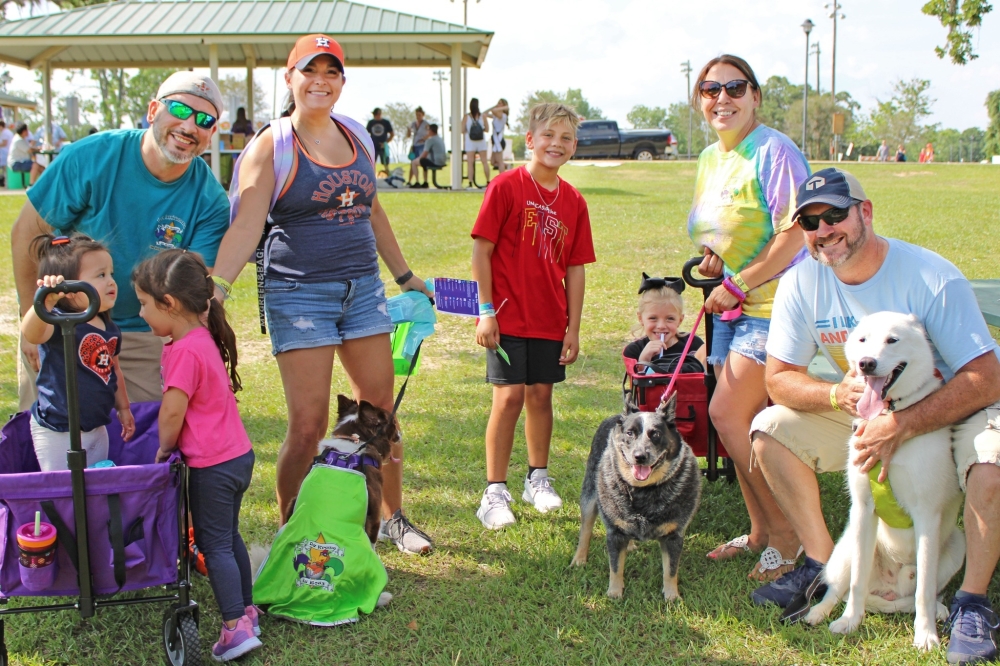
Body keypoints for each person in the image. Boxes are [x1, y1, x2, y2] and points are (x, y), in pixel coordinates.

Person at [747, 168, 1000, 665]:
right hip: (866, 407)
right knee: (770, 430)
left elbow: (987, 377)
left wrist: (902, 424)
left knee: (990, 466)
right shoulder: (801, 281)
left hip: (951, 406)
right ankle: (824, 566)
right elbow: (778, 380)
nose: (823, 231)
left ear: (865, 212)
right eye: (810, 222)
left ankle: (972, 602)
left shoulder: (931, 276)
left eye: (834, 215)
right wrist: (834, 394)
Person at [210, 34, 435, 555]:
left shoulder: (357, 135)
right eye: (310, 71)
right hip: (299, 295)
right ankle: (291, 532)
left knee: (381, 414)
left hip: (363, 291)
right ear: (290, 78)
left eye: (331, 72)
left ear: (342, 82)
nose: (320, 81)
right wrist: (217, 290)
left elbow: (372, 210)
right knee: (308, 426)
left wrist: (404, 276)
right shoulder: (272, 146)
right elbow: (246, 225)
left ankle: (393, 518)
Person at [10, 71, 230, 410]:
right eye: (180, 110)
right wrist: (34, 317)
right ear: (153, 110)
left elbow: (193, 291)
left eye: (204, 120)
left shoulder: (211, 201)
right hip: (67, 322)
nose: (189, 126)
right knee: (49, 431)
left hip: (147, 332)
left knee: (153, 435)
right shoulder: (90, 157)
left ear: (211, 133)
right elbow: (27, 233)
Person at [686, 54, 811, 582]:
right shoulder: (710, 159)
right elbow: (731, 228)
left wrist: (740, 282)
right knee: (744, 423)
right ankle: (760, 530)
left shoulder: (774, 151)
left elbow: (797, 232)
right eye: (710, 89)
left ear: (755, 97)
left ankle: (789, 534)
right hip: (731, 308)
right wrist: (718, 261)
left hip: (777, 306)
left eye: (735, 88)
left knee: (726, 415)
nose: (723, 98)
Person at [471, 102, 596, 529]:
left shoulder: (574, 201)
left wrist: (573, 327)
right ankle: (494, 492)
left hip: (549, 318)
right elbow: (481, 251)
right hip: (505, 317)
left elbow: (575, 267)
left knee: (541, 396)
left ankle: (537, 479)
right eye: (548, 136)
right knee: (508, 398)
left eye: (566, 138)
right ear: (530, 140)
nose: (556, 144)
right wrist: (485, 311)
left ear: (574, 146)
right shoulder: (505, 186)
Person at [133, 249, 261, 662]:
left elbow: (173, 411)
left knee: (213, 543)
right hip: (237, 456)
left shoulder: (186, 351)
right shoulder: (200, 336)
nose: (140, 312)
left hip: (213, 465)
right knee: (229, 537)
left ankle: (234, 629)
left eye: (144, 303)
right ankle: (247, 612)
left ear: (169, 303)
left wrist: (164, 446)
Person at [20, 234, 134, 471]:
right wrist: (45, 303)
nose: (111, 282)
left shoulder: (109, 328)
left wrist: (123, 408)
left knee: (94, 485)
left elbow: (114, 370)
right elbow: (32, 334)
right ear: (70, 289)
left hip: (96, 426)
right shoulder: (57, 321)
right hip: (58, 429)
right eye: (101, 275)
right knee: (63, 488)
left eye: (111, 273)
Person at [623, 275, 707, 369]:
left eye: (670, 318)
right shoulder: (635, 350)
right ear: (641, 318)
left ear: (680, 320)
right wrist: (644, 359)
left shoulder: (693, 344)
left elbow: (705, 375)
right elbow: (636, 377)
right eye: (653, 318)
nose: (661, 326)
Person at [463, 98, 490, 189]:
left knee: (470, 163)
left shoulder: (467, 117)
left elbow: (462, 130)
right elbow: (487, 129)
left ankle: (470, 182)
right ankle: (488, 181)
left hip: (470, 142)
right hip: (481, 141)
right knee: (484, 162)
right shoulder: (482, 116)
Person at [409, 123, 446, 188]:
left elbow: (424, 154)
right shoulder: (440, 139)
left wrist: (417, 159)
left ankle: (417, 182)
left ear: (430, 131)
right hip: (442, 161)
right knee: (424, 162)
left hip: (435, 162)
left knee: (414, 162)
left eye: (428, 130)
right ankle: (425, 182)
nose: (427, 132)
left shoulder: (430, 140)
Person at [367, 107, 394, 177]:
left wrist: (385, 143)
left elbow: (392, 134)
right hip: (373, 146)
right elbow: (366, 133)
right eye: (375, 115)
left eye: (378, 114)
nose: (377, 116)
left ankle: (388, 177)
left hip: (383, 146)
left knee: (385, 162)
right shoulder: (371, 122)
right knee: (372, 163)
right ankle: (372, 177)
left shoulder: (386, 122)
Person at [405, 106, 429, 186]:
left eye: (419, 115)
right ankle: (412, 181)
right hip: (415, 145)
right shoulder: (413, 124)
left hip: (422, 145)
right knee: (412, 163)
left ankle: (425, 181)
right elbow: (408, 136)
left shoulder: (426, 124)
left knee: (423, 163)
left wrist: (424, 138)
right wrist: (408, 130)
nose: (418, 117)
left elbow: (430, 134)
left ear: (423, 115)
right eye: (416, 115)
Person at [485, 98, 509, 175]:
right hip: (495, 140)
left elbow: (494, 111)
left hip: (499, 140)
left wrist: (503, 108)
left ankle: (503, 178)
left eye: (500, 103)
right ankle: (507, 166)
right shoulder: (495, 115)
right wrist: (494, 106)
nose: (498, 104)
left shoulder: (503, 116)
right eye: (498, 103)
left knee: (499, 162)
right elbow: (484, 113)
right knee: (493, 162)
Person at [0, 120, 12, 186]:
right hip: (7, 152)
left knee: (5, 169)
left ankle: (6, 183)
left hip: (5, 152)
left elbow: (4, 143)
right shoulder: (8, 132)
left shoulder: (4, 132)